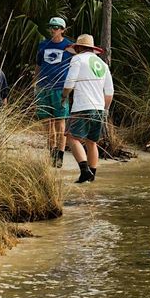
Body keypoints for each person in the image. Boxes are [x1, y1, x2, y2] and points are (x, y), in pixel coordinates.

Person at [62, 34, 114, 183]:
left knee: (72, 138)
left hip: (82, 106)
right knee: (92, 142)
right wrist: (105, 109)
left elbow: (70, 82)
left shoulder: (77, 59)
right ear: (92, 49)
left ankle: (84, 170)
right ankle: (92, 176)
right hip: (99, 108)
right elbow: (109, 92)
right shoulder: (103, 65)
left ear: (78, 48)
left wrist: (64, 96)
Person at [35, 17, 73, 167]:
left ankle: (60, 155)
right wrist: (35, 83)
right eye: (51, 27)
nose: (53, 30)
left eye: (56, 27)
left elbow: (76, 64)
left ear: (63, 30)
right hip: (44, 87)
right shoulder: (43, 45)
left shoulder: (69, 46)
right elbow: (38, 65)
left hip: (60, 88)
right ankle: (52, 152)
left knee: (60, 121)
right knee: (47, 122)